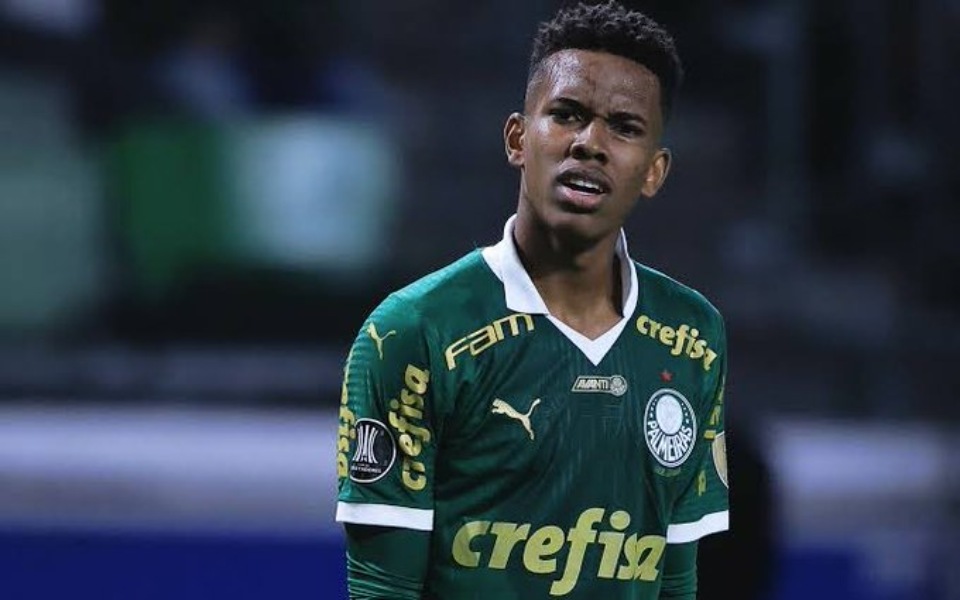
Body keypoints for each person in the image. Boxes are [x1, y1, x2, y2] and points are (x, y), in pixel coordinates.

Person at [334, 2, 729, 598]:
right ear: (518, 138)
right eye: (567, 115)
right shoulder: (412, 331)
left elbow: (674, 580)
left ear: (654, 171)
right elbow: (381, 587)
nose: (590, 143)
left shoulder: (693, 336)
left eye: (624, 127)